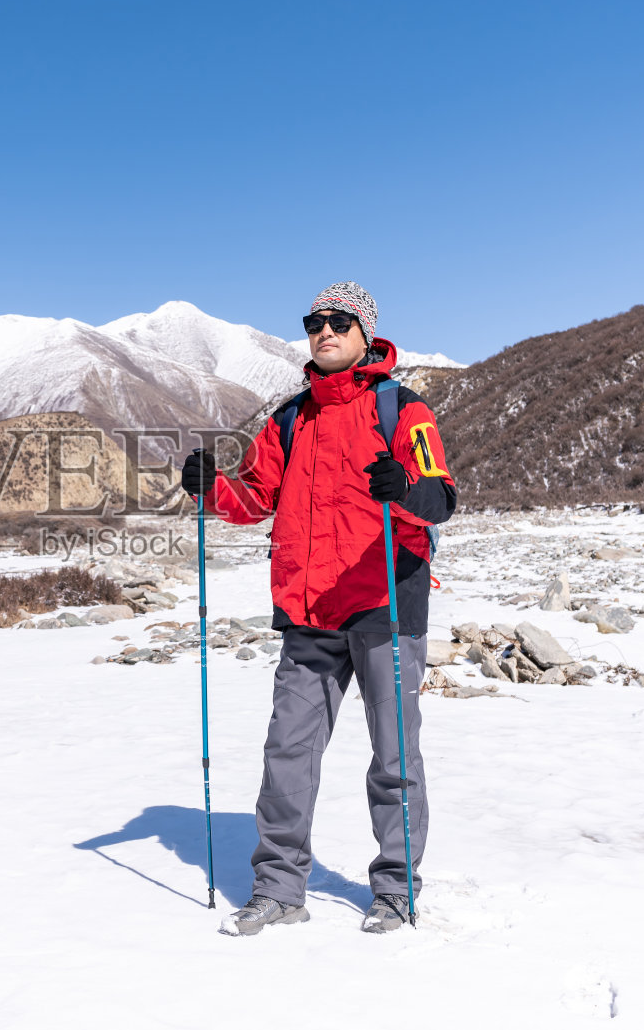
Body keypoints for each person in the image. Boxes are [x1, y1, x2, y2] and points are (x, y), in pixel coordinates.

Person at [180, 281, 457, 936]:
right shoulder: (287, 420)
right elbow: (253, 498)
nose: (323, 330)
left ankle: (395, 891)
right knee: (287, 755)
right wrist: (211, 488)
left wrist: (406, 488)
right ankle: (279, 889)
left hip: (386, 602)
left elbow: (441, 497)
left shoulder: (403, 410)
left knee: (394, 759)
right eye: (313, 322)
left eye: (338, 320)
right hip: (308, 610)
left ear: (365, 333)